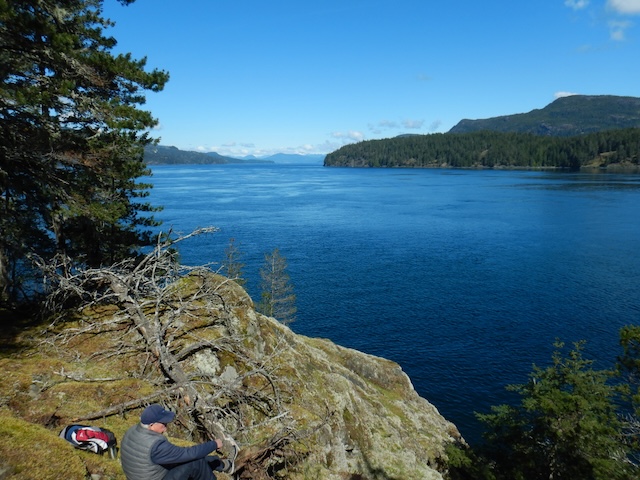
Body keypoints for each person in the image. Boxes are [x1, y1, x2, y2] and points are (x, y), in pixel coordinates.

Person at [120, 404, 235, 480]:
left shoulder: (132, 431)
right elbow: (190, 454)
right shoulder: (155, 445)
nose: (165, 428)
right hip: (156, 477)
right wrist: (214, 444)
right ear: (152, 425)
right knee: (195, 461)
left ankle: (224, 465)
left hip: (146, 474)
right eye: (163, 424)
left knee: (188, 458)